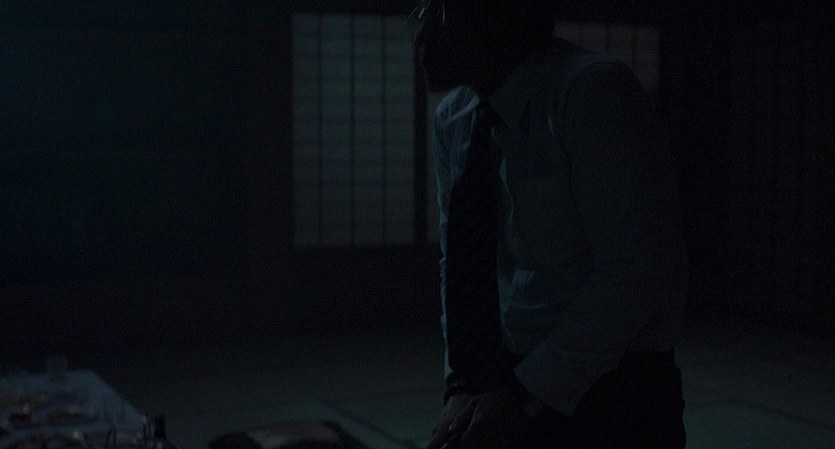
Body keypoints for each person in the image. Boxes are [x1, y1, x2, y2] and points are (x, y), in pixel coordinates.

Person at [411, 1, 689, 448]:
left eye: (441, 12)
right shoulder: (455, 118)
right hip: (505, 374)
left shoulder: (590, 93)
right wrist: (462, 383)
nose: (422, 34)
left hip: (615, 382)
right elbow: (460, 263)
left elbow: (637, 269)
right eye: (421, 11)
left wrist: (527, 394)